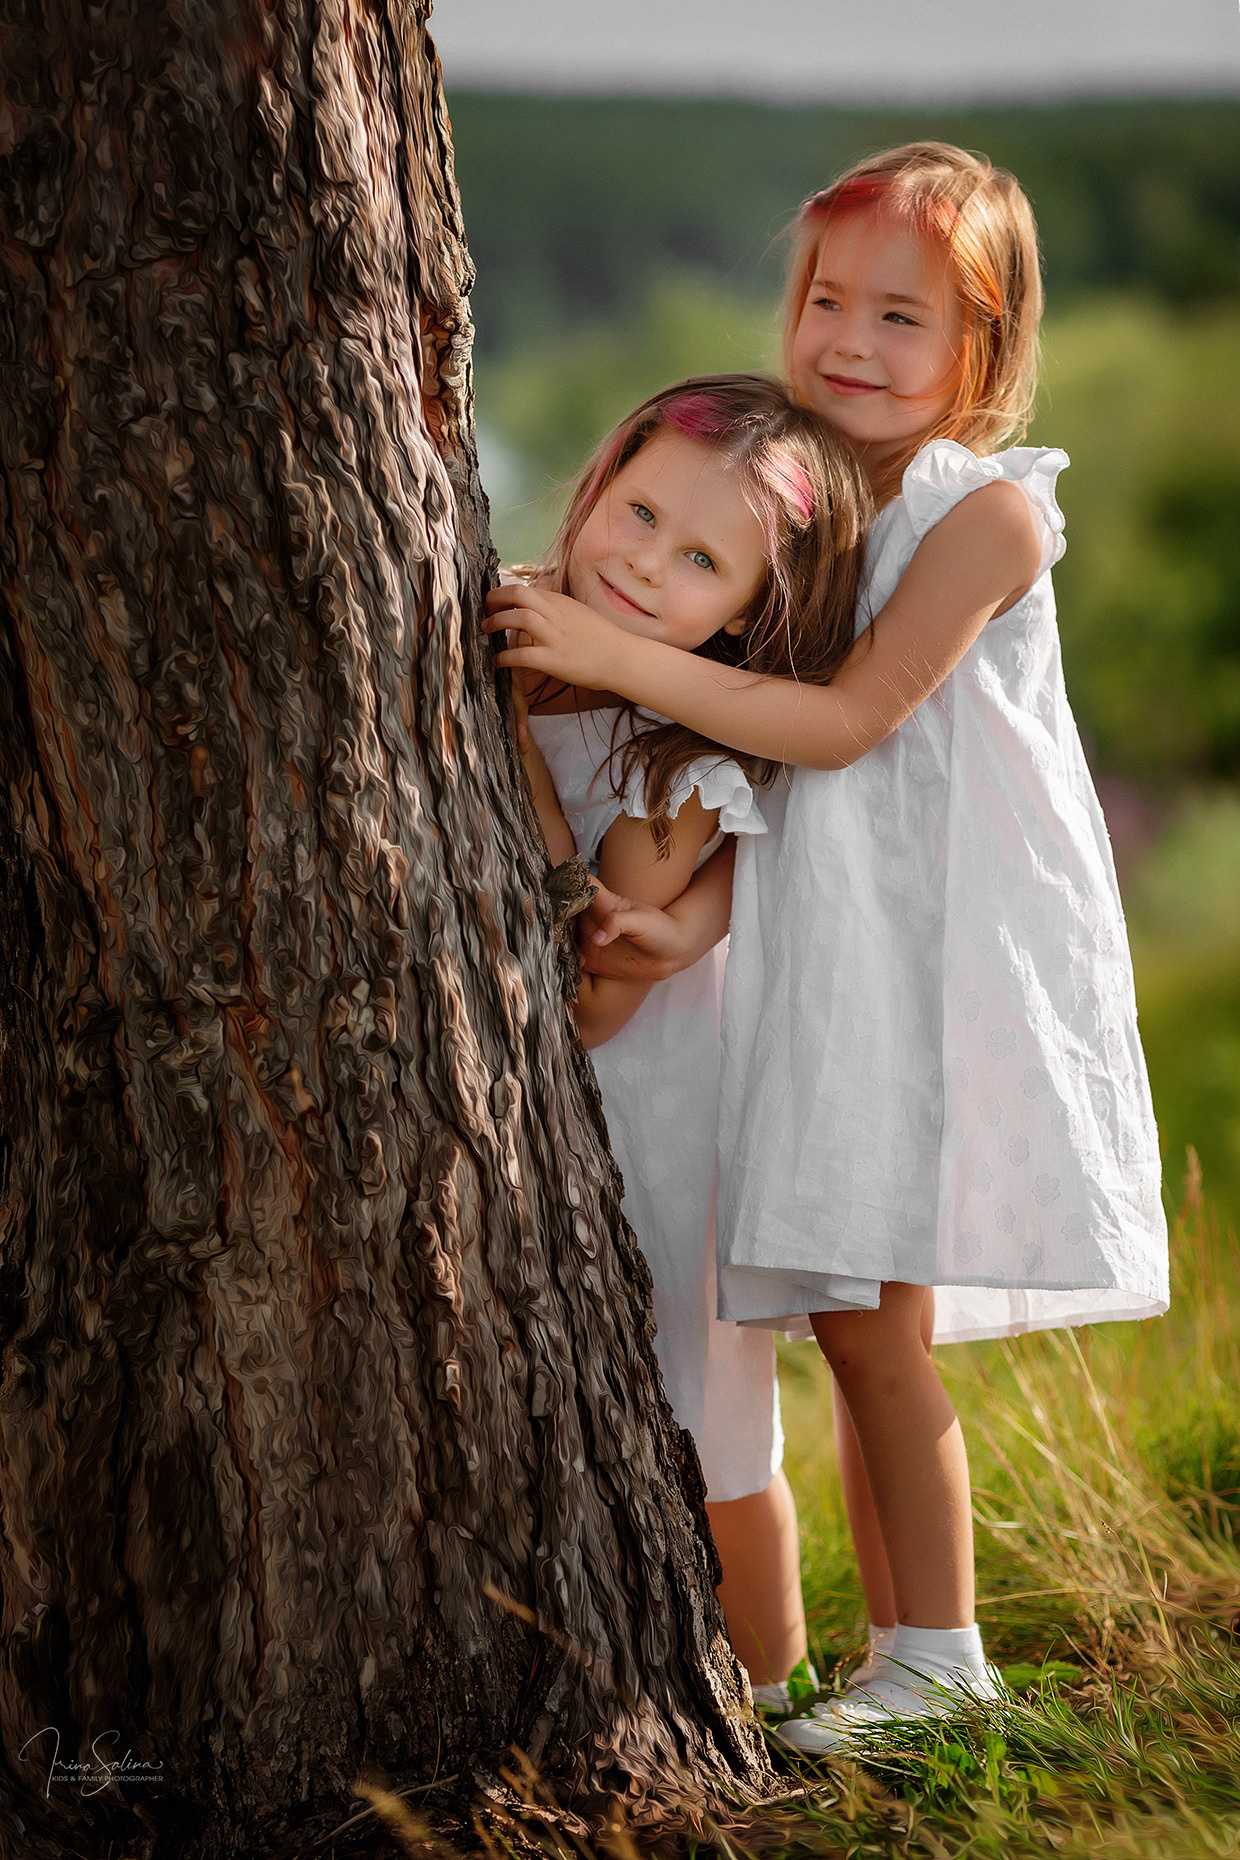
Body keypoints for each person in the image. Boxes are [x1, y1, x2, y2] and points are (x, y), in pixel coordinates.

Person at [486, 144, 1169, 1751]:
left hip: (923, 973)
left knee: (877, 1330)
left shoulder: (989, 514)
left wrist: (598, 645)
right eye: (826, 300)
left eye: (903, 317)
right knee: (843, 1317)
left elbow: (849, 729)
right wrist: (686, 917)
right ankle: (879, 1655)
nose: (850, 341)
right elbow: (762, 789)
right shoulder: (803, 498)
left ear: (984, 354)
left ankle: (937, 1658)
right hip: (808, 950)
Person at [507, 373, 872, 1708]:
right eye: (639, 508)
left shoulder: (685, 754)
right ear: (599, 477)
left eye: (702, 558)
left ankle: (771, 1686)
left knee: (710, 1423)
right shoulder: (496, 618)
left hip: (665, 1124)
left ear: (749, 614)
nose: (646, 563)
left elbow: (599, 994)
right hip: (515, 1131)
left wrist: (519, 758)